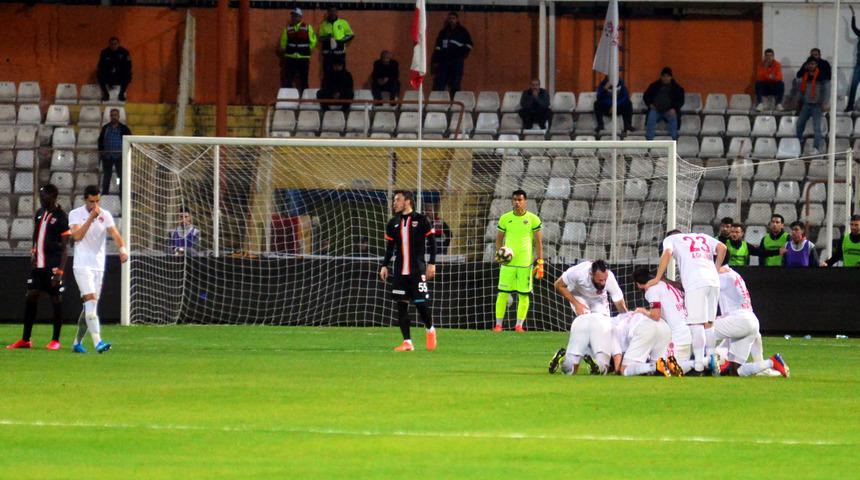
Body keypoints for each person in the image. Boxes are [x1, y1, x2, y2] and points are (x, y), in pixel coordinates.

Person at [646, 230, 727, 373]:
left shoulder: (671, 239)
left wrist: (658, 277)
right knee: (709, 323)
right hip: (714, 282)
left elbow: (667, 253)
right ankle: (711, 359)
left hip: (695, 282)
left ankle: (699, 364)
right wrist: (716, 269)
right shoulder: (702, 236)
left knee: (696, 324)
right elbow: (723, 248)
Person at [6, 185, 70, 351]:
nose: (41, 199)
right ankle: (25, 339)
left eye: (44, 196)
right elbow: (36, 234)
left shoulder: (61, 217)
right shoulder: (40, 213)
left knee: (56, 300)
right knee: (31, 296)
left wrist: (60, 271)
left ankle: (55, 340)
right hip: (38, 266)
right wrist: (33, 251)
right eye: (40, 196)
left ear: (53, 196)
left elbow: (65, 248)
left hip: (52, 266)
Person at [69, 185, 128, 353]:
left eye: (97, 201)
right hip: (82, 265)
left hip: (98, 266)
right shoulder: (75, 214)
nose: (95, 205)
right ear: (85, 200)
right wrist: (90, 219)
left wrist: (122, 250)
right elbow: (77, 236)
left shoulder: (105, 215)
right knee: (91, 302)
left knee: (90, 307)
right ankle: (98, 342)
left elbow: (115, 233)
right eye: (91, 201)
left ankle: (77, 343)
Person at [379, 191, 437, 352]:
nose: (394, 203)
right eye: (394, 200)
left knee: (421, 304)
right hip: (400, 271)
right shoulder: (393, 223)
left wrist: (432, 263)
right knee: (401, 306)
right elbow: (390, 248)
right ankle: (407, 342)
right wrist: (384, 265)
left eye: (398, 200)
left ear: (408, 201)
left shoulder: (421, 220)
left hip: (417, 270)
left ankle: (430, 329)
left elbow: (432, 243)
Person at [714, 266, 789, 378]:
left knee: (699, 329)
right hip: (750, 320)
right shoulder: (734, 274)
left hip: (737, 320)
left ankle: (698, 364)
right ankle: (772, 362)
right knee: (735, 370)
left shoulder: (722, 276)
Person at [494, 189, 543, 332]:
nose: (517, 202)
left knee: (524, 294)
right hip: (508, 264)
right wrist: (499, 254)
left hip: (525, 264)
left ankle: (519, 325)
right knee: (502, 293)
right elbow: (499, 239)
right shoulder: (505, 218)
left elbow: (538, 242)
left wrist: (540, 262)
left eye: (520, 200)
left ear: (525, 201)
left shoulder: (533, 219)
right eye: (515, 199)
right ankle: (498, 325)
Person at [632, 267, 691, 375]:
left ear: (638, 284)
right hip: (687, 332)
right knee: (675, 369)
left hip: (677, 337)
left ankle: (704, 363)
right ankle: (700, 363)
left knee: (663, 369)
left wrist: (643, 311)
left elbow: (656, 315)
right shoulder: (664, 284)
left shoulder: (651, 290)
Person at [554, 259, 627, 319]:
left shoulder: (610, 277)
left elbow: (619, 302)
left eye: (605, 279)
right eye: (600, 280)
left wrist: (627, 319)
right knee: (586, 319)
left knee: (603, 323)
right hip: (579, 294)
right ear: (591, 274)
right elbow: (558, 285)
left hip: (598, 298)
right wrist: (576, 304)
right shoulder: (578, 272)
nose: (603, 283)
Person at [547, 312, 614, 376]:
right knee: (604, 368)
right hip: (602, 323)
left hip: (580, 321)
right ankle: (595, 364)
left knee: (570, 370)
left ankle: (564, 359)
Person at [610, 311, 674, 377]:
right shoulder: (620, 317)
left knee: (624, 369)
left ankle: (655, 366)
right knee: (658, 369)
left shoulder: (607, 328)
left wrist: (617, 370)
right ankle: (670, 366)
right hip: (663, 326)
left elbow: (617, 354)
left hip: (645, 328)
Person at [431, 12, 474, 94]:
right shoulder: (443, 32)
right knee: (440, 82)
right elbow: (438, 47)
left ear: (457, 20)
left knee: (455, 83)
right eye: (450, 18)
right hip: (444, 61)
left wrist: (461, 53)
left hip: (457, 61)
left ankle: (455, 101)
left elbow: (470, 44)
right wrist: (436, 61)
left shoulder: (462, 31)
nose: (451, 20)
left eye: (453, 18)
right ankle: (439, 100)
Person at [795, 57, 829, 155]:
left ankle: (816, 148)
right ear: (807, 65)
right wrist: (798, 101)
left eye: (813, 64)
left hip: (817, 106)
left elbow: (826, 91)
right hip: (806, 105)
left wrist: (824, 102)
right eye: (810, 64)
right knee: (799, 124)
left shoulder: (821, 76)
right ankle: (799, 142)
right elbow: (801, 91)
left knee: (817, 128)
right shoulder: (805, 76)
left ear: (816, 65)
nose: (811, 66)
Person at [279, 8, 317, 91]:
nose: (294, 18)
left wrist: (308, 49)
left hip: (303, 58)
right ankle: (288, 97)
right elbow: (283, 42)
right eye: (292, 16)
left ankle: (305, 97)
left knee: (304, 81)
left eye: (296, 16)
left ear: (300, 17)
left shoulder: (307, 27)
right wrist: (285, 50)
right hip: (290, 58)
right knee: (288, 81)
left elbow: (313, 41)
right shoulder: (288, 28)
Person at [643, 67, 685, 140]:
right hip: (656, 110)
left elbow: (681, 100)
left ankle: (673, 141)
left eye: (668, 76)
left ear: (671, 77)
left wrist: (674, 109)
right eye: (664, 76)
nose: (666, 78)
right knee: (651, 119)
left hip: (669, 111)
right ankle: (649, 141)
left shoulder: (677, 88)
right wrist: (650, 104)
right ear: (661, 77)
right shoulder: (654, 86)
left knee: (673, 119)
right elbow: (646, 96)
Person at [97, 108, 131, 195]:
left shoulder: (124, 128)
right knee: (106, 176)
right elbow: (100, 140)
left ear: (119, 116)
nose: (113, 117)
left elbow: (130, 141)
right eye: (112, 115)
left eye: (115, 115)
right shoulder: (105, 128)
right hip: (107, 156)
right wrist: (101, 151)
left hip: (120, 156)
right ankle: (105, 194)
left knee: (120, 176)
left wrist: (126, 153)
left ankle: (122, 194)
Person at [318, 7, 354, 76]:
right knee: (327, 75)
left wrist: (340, 41)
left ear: (337, 12)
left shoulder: (343, 22)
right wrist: (328, 38)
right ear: (328, 12)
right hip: (328, 54)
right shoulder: (323, 24)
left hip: (339, 53)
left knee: (340, 74)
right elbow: (320, 38)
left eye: (334, 11)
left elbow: (351, 35)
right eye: (330, 11)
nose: (332, 13)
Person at [97, 37, 132, 102]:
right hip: (109, 74)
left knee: (128, 74)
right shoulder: (104, 52)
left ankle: (121, 94)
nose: (113, 46)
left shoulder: (125, 52)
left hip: (120, 75)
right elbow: (100, 65)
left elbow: (128, 66)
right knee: (99, 74)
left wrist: (118, 70)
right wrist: (109, 70)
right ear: (109, 44)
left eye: (115, 44)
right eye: (111, 44)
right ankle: (106, 94)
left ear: (118, 44)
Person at [849, 7, 860, 112]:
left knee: (853, 86)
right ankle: (850, 106)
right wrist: (853, 15)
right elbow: (853, 27)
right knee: (853, 86)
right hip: (859, 65)